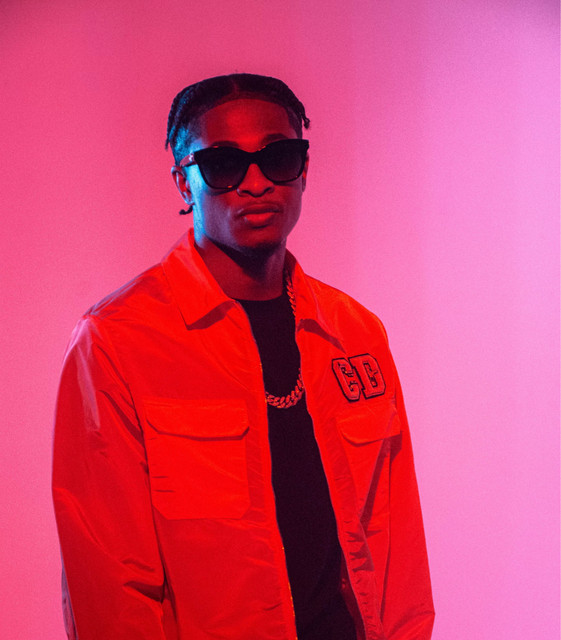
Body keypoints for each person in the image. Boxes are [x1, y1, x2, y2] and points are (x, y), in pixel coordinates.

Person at [52, 73, 434, 640]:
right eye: (223, 164)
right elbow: (110, 582)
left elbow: (398, 546)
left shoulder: (356, 333)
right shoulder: (117, 341)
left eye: (278, 157)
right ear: (184, 183)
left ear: (303, 169)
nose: (256, 183)